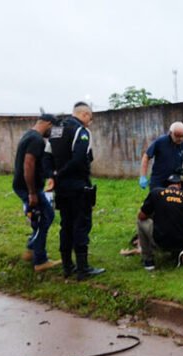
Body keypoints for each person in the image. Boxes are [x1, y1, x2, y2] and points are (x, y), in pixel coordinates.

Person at [44, 102, 105, 280]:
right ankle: (83, 269)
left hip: (61, 188)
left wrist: (53, 175)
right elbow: (79, 159)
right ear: (84, 114)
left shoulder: (56, 130)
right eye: (90, 118)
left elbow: (46, 156)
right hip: (78, 186)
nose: (90, 122)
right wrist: (61, 174)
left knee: (66, 225)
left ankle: (67, 267)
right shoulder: (82, 131)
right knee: (81, 225)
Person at [12, 114, 61, 272]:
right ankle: (40, 260)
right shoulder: (36, 140)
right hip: (28, 188)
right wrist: (32, 193)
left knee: (43, 216)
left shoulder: (29, 135)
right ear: (48, 123)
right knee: (44, 219)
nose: (52, 133)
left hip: (24, 186)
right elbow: (28, 165)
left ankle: (32, 250)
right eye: (53, 129)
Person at [137, 174, 183, 270]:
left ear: (166, 185)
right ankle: (181, 251)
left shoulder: (156, 193)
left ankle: (148, 261)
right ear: (179, 185)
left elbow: (141, 216)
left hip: (161, 241)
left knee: (141, 222)